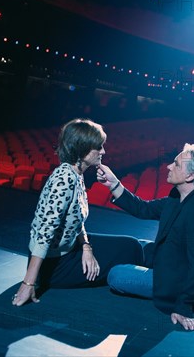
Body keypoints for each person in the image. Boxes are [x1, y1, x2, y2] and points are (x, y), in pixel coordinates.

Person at [12, 118, 143, 306]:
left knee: (131, 245)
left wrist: (86, 248)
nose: (104, 151)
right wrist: (28, 282)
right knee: (130, 254)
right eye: (99, 147)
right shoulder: (64, 178)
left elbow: (74, 218)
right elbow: (44, 233)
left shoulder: (76, 173)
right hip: (55, 266)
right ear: (82, 149)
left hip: (73, 247)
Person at [96, 143, 194, 331]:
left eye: (176, 164)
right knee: (139, 245)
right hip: (172, 263)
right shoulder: (179, 196)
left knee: (116, 274)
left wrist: (184, 307)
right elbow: (144, 209)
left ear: (190, 176)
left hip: (176, 285)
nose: (168, 167)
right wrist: (114, 184)